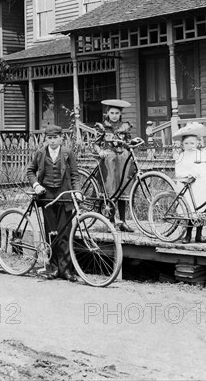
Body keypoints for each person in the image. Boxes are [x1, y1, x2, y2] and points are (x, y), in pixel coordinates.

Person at [26, 125, 82, 282]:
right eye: (49, 138)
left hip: (64, 195)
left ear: (61, 138)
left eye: (55, 137)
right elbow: (30, 171)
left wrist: (77, 191)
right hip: (47, 196)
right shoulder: (40, 153)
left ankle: (66, 271)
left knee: (65, 233)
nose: (52, 141)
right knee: (51, 233)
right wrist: (36, 185)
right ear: (46, 139)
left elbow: (75, 175)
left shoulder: (67, 153)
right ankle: (53, 268)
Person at [172, 122, 206, 244]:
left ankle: (199, 235)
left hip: (201, 185)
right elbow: (179, 171)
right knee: (190, 210)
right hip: (189, 186)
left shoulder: (202, 154)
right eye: (186, 143)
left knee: (201, 210)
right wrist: (188, 174)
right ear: (182, 145)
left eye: (192, 143)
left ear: (198, 143)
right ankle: (188, 235)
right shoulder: (182, 156)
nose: (189, 146)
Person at [93, 99, 135, 232]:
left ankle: (122, 221)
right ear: (107, 113)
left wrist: (131, 146)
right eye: (112, 113)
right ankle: (111, 221)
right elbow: (95, 143)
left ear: (121, 114)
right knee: (111, 189)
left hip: (123, 159)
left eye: (117, 113)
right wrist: (100, 151)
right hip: (109, 159)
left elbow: (128, 142)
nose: (114, 115)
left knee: (123, 189)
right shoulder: (103, 126)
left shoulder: (125, 126)